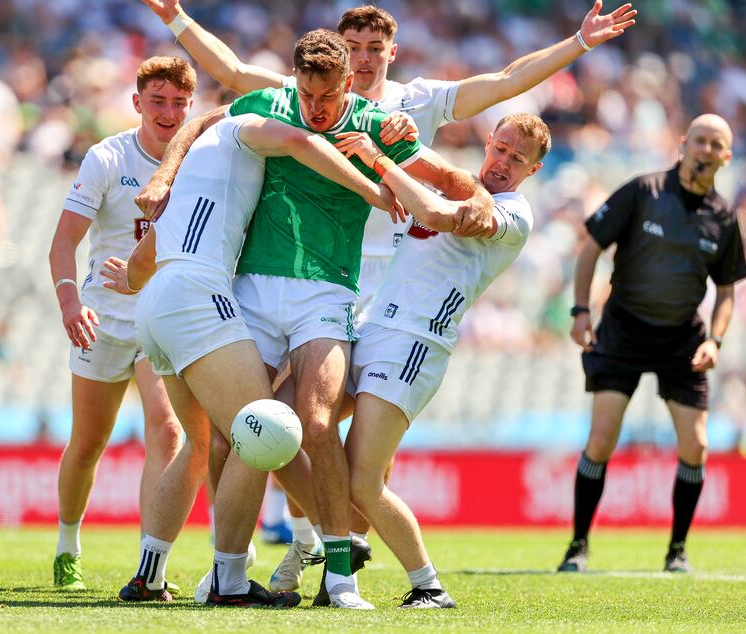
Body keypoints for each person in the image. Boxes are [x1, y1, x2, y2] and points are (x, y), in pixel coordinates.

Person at [138, 0, 637, 597]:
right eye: (355, 46)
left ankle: (340, 564)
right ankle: (255, 560)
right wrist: (176, 20)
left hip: (362, 287)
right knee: (245, 430)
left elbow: (500, 91)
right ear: (338, 53)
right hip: (281, 280)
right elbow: (232, 81)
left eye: (375, 48)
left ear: (387, 54)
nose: (364, 57)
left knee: (335, 441)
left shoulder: (408, 107)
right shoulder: (292, 93)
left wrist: (576, 44)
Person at [139, 28, 495, 609]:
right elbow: (203, 120)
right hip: (251, 288)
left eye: (325, 98)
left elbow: (452, 181)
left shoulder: (379, 128)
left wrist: (478, 199)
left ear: (349, 82)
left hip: (327, 294)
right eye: (305, 96)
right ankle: (227, 573)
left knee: (318, 422)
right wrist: (162, 176)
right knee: (235, 432)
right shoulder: (271, 104)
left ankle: (339, 579)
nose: (314, 109)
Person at [103, 106, 398, 605]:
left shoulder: (197, 167)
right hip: (200, 296)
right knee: (263, 433)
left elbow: (139, 266)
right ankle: (250, 575)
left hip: (157, 305)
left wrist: (130, 280)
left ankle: (150, 574)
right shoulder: (243, 128)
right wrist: (373, 190)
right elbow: (303, 143)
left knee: (202, 446)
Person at [331, 112, 550, 607]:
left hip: (416, 343)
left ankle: (427, 584)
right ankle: (331, 549)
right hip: (373, 327)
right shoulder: (463, 183)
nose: (503, 163)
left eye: (518, 159)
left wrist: (379, 159)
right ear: (488, 142)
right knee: (300, 426)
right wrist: (396, 132)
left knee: (362, 479)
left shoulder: (513, 214)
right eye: (500, 148)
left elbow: (433, 216)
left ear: (532, 171)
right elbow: (422, 164)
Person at [558, 114, 746, 574]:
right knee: (601, 440)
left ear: (726, 156)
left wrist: (716, 340)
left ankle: (677, 551)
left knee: (697, 446)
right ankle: (578, 546)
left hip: (683, 339)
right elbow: (590, 248)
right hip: (622, 330)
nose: (705, 149)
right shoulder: (643, 191)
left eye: (715, 144)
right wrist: (581, 311)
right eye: (699, 140)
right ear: (684, 144)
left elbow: (726, 292)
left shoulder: (723, 217)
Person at [47, 56, 194, 591]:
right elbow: (63, 243)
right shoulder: (107, 157)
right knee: (88, 444)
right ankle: (68, 543)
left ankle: (148, 567)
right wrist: (69, 303)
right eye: (158, 101)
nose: (169, 111)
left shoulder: (198, 160)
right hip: (103, 318)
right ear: (137, 103)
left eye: (179, 102)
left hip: (163, 318)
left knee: (169, 429)